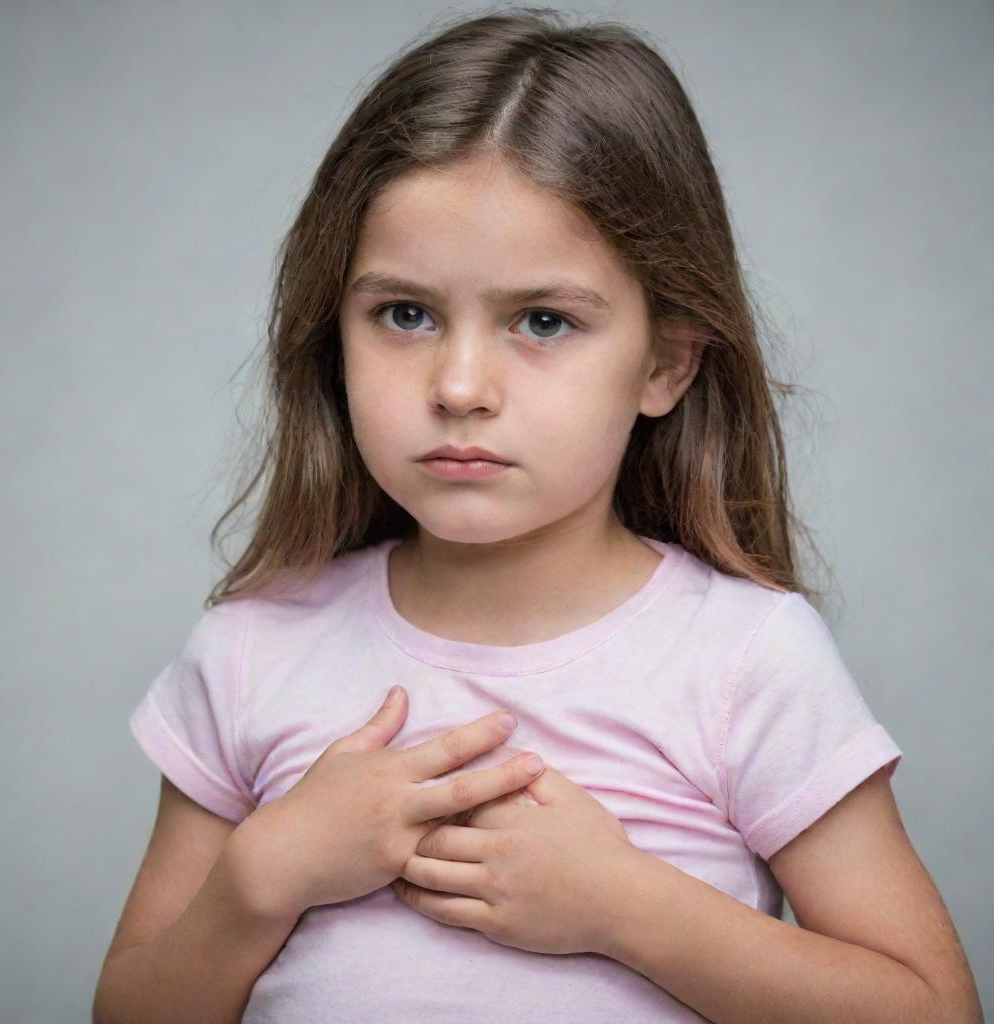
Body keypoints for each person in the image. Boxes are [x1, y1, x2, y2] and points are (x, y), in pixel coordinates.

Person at [92, 8, 982, 1024]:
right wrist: (260, 880)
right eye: (405, 314)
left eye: (543, 321)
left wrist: (625, 906)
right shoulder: (251, 650)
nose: (460, 384)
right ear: (329, 331)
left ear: (663, 363)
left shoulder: (744, 660)